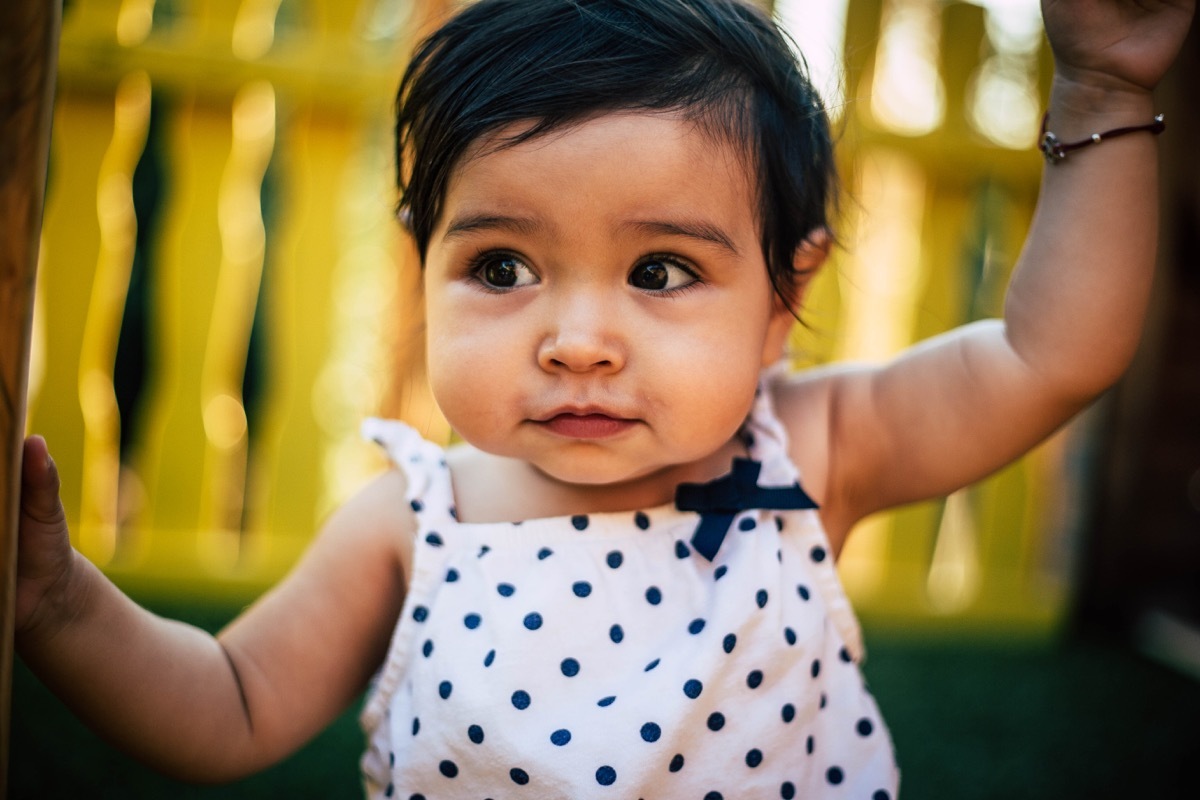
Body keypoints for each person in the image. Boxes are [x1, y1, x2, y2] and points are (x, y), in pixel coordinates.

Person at [14, 0, 1194, 796]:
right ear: (423, 266)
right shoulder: (416, 518)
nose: (577, 342)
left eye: (661, 271)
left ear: (784, 298)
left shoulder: (816, 448)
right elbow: (228, 702)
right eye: (502, 267)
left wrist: (1101, 89)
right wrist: (62, 605)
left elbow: (1051, 355)